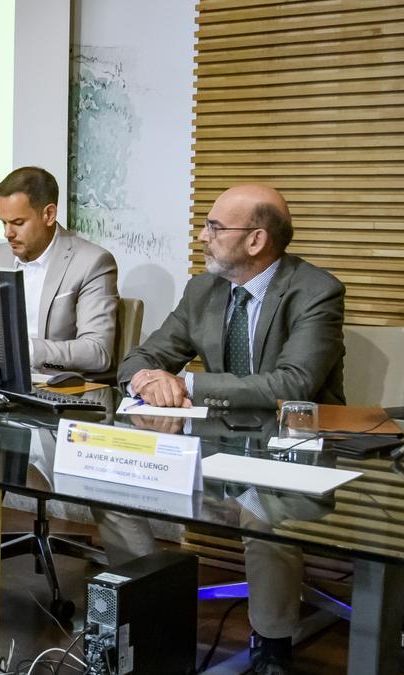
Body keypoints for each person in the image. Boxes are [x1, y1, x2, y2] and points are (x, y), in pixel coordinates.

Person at [106, 184, 345, 675]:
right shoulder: (202, 290)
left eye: (215, 227)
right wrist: (149, 377)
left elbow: (292, 383)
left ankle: (272, 645)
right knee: (110, 478)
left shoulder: (316, 291)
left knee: (262, 513)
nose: (202, 236)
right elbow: (139, 359)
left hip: (290, 448)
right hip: (213, 443)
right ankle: (151, 603)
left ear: (256, 241)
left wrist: (187, 380)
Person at [0, 166, 118, 376]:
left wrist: (29, 350)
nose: (7, 233)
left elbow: (97, 352)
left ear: (49, 214)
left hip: (52, 387)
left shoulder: (92, 262)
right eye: (3, 223)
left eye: (18, 223)